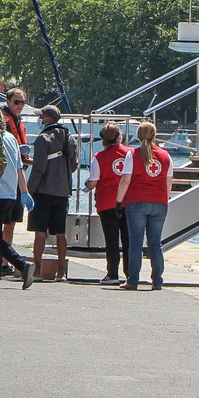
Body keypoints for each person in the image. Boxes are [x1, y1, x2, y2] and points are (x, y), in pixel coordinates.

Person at [114, 120, 172, 291]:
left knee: (135, 243)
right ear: (154, 136)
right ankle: (157, 281)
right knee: (155, 243)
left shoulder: (132, 155)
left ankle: (133, 280)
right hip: (159, 202)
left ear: (138, 136)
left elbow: (125, 180)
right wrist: (164, 199)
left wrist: (118, 201)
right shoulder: (166, 156)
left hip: (136, 202)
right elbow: (168, 183)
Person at [25, 104, 78, 280]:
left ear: (48, 119)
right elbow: (73, 166)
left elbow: (39, 169)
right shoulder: (69, 138)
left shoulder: (43, 138)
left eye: (41, 117)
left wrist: (28, 191)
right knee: (60, 232)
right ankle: (61, 271)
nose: (40, 120)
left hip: (43, 191)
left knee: (40, 231)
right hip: (62, 191)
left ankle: (38, 271)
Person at [0, 103, 34, 289]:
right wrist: (24, 192)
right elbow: (19, 168)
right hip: (10, 193)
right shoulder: (11, 138)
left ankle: (20, 264)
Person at [85, 122, 131, 285]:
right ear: (119, 138)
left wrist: (86, 185)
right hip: (128, 202)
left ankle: (112, 274)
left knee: (111, 240)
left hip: (107, 203)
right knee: (129, 240)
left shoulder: (99, 157)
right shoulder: (131, 153)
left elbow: (93, 181)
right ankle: (131, 274)